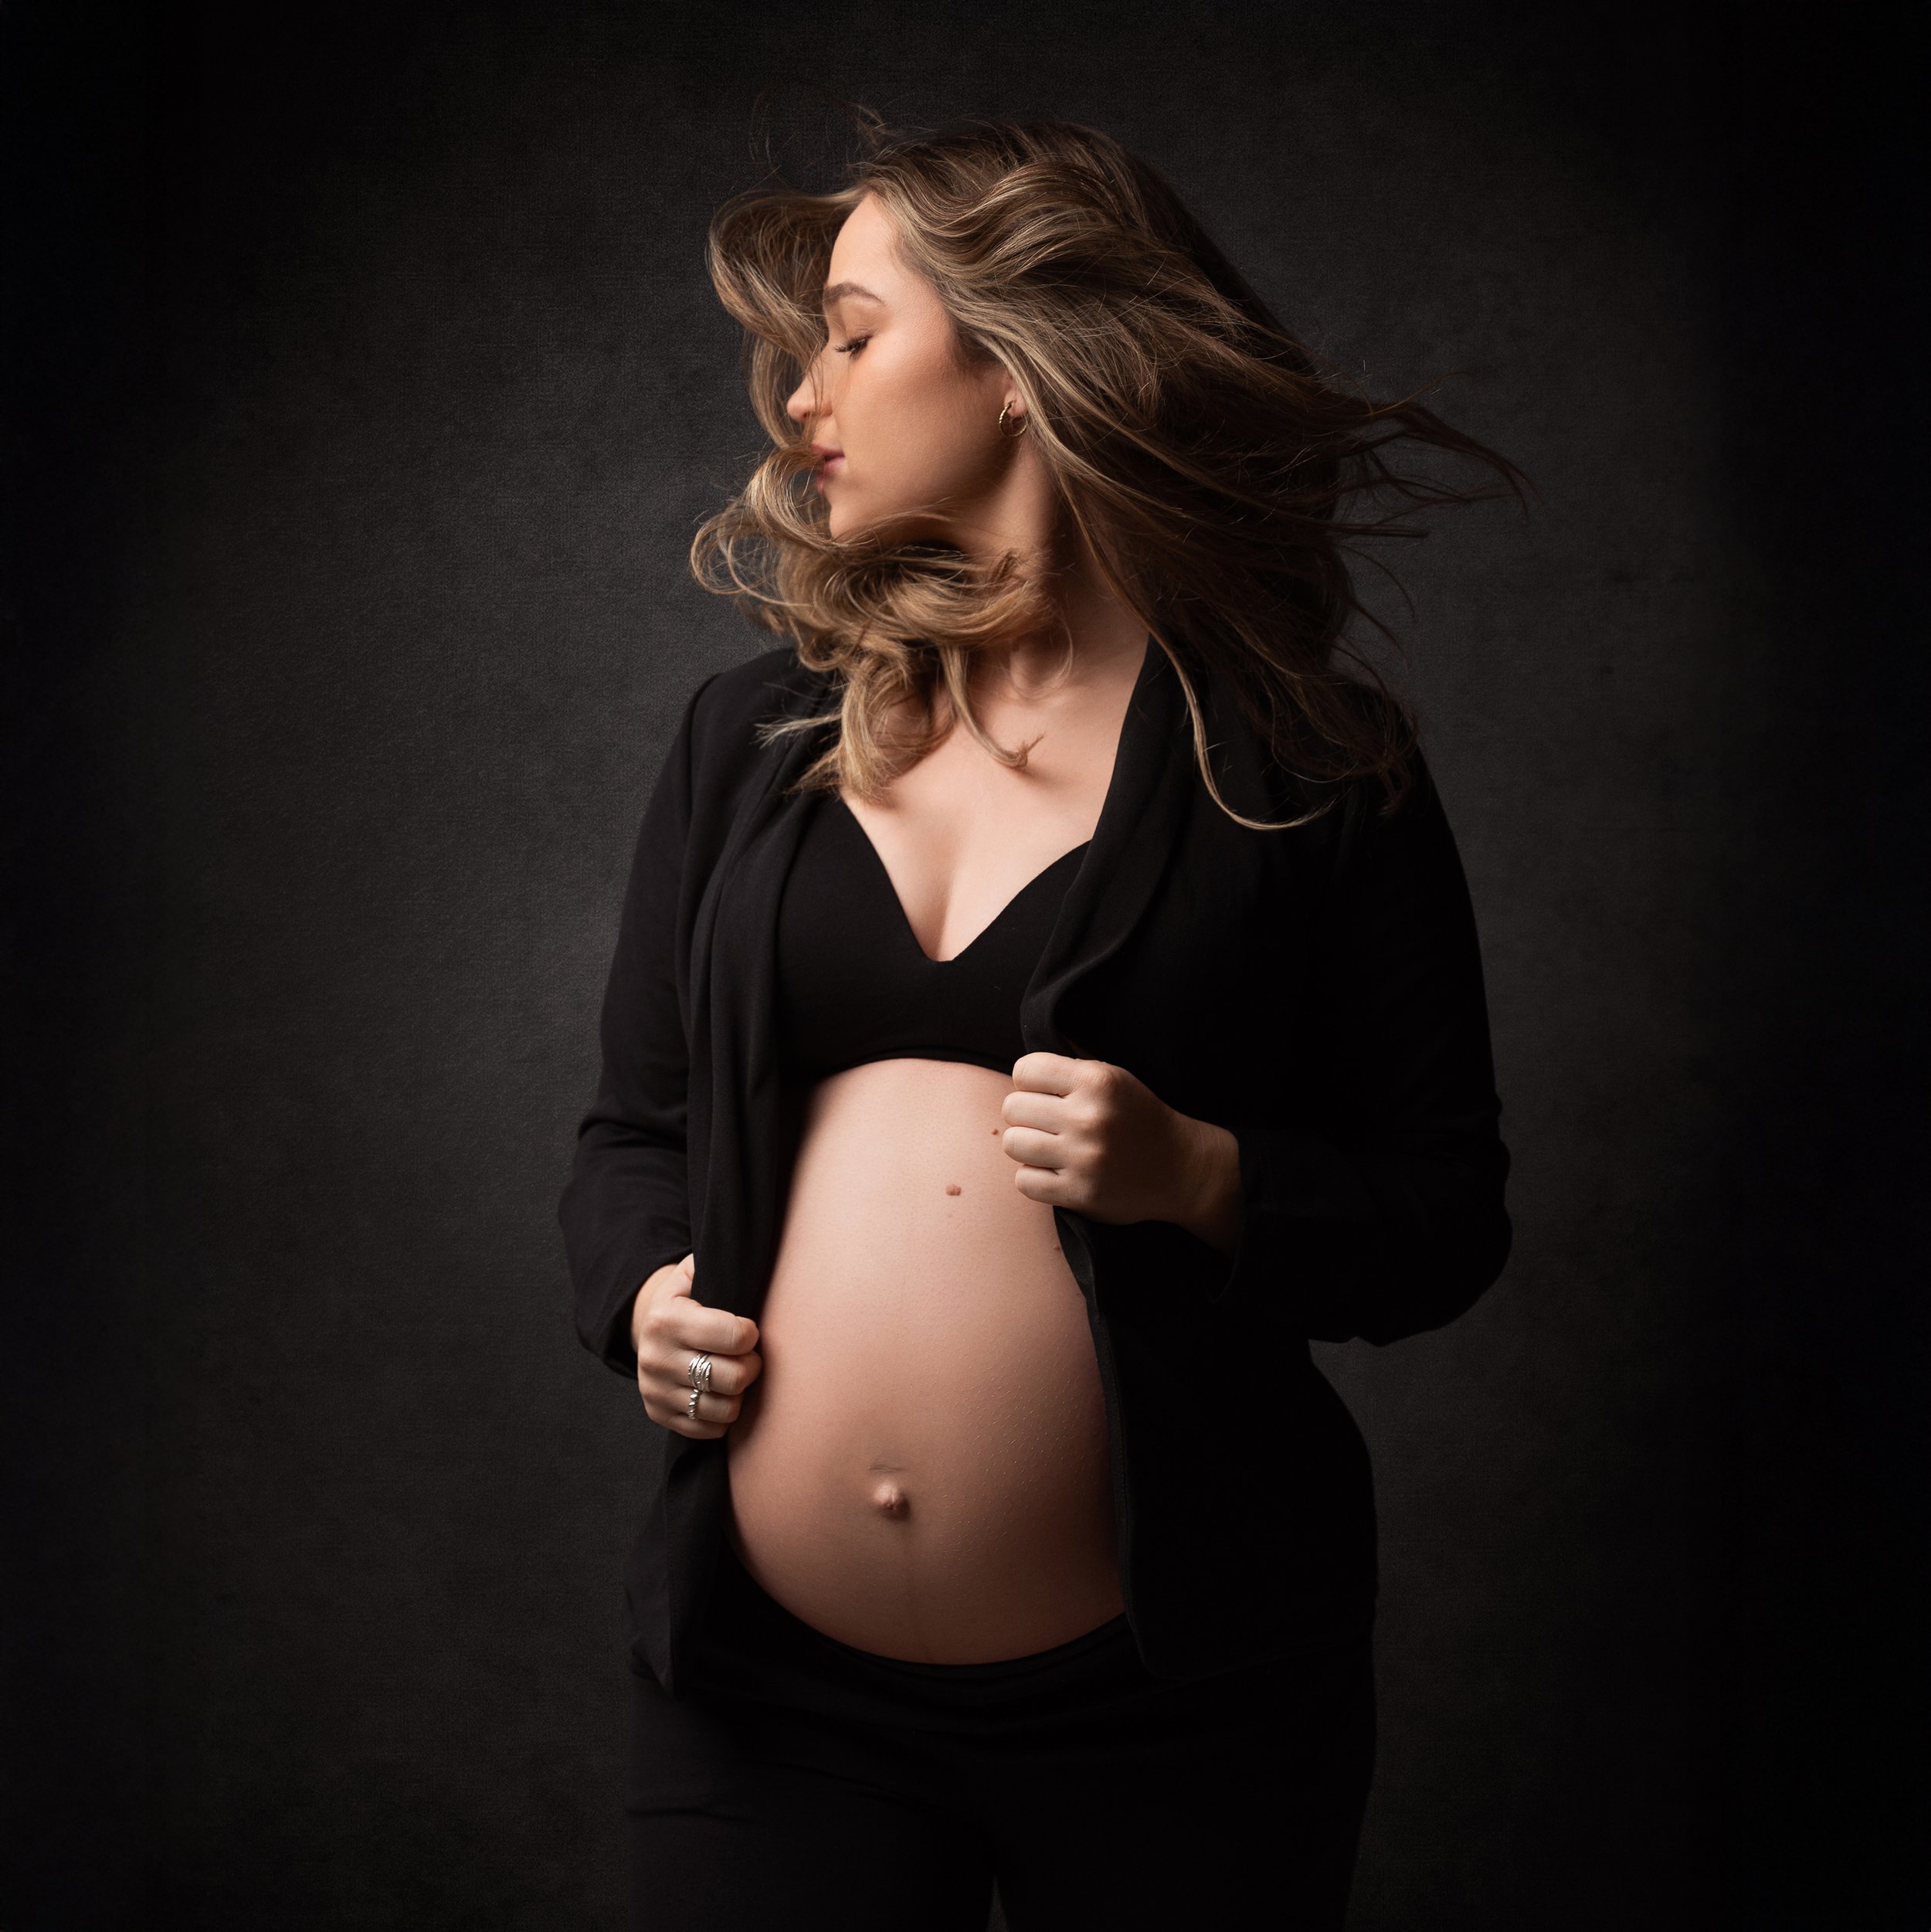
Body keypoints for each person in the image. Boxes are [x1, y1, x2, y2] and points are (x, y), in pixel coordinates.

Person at [558, 110, 1525, 1932]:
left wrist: (1206, 1175)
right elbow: (633, 1136)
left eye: (851, 332)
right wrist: (643, 1293)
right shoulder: (750, 740)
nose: (801, 401)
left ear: (1015, 363)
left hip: (1181, 1703)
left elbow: (1442, 1217)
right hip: (772, 1699)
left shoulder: (1307, 767)